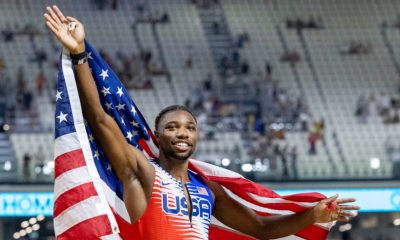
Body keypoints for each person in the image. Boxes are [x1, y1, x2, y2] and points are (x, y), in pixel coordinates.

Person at [44, 5, 359, 239]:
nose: (182, 133)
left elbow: (262, 229)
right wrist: (79, 54)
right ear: (157, 136)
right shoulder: (141, 171)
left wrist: (312, 215)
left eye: (189, 127)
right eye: (172, 127)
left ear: (196, 138)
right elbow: (99, 119)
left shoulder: (208, 190)